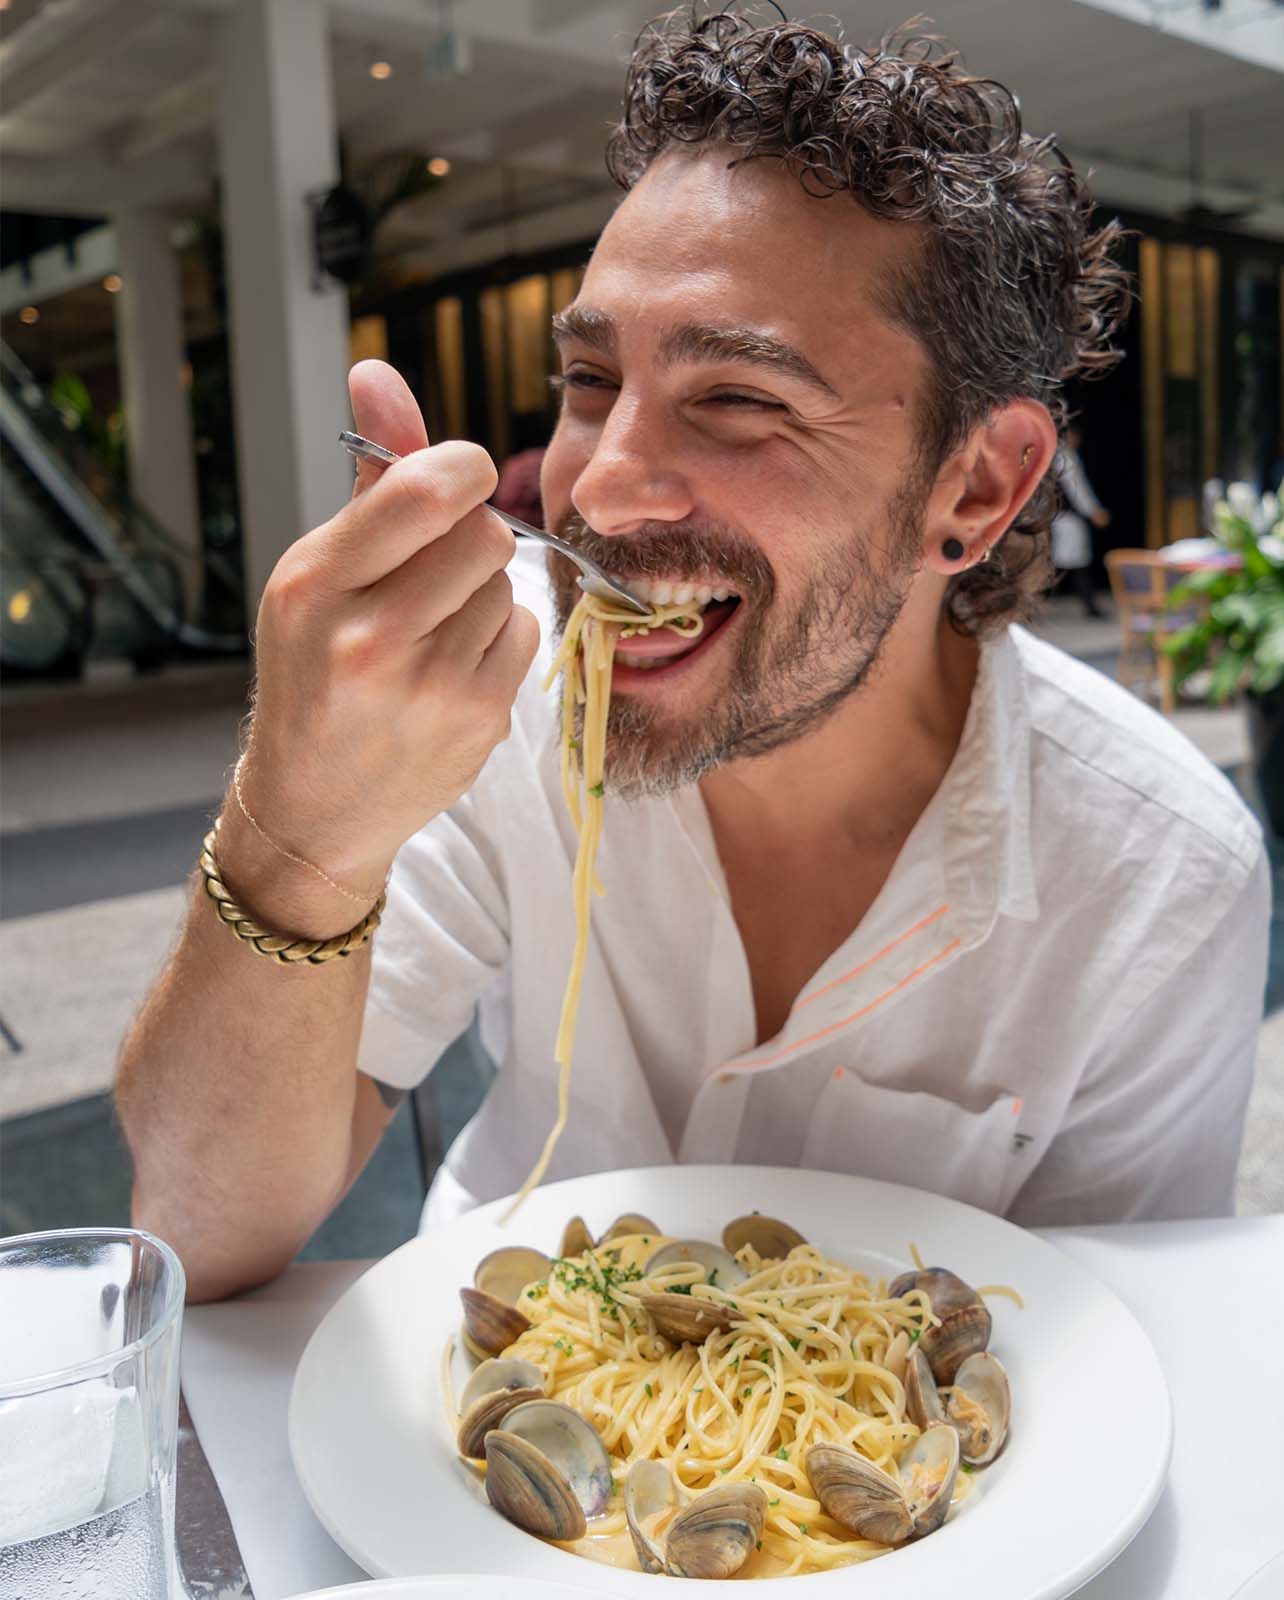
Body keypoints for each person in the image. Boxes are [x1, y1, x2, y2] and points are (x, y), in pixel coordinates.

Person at [116, 12, 1268, 1303]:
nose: (595, 493)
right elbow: (195, 1236)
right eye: (592, 380)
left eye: (737, 400)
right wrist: (295, 830)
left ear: (977, 490)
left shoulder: (1161, 887)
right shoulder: (499, 700)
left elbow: (1081, 1398)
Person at [1050, 424, 1110, 617]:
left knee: (1065, 562)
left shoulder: (1056, 457)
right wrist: (1093, 511)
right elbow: (1078, 490)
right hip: (1067, 517)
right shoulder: (1065, 458)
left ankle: (1088, 604)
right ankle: (1089, 605)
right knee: (1076, 561)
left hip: (1058, 517)